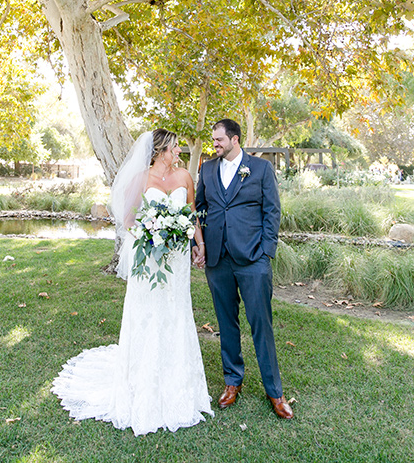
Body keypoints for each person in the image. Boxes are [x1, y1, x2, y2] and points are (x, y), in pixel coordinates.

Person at [52, 129, 213, 436]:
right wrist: (151, 235)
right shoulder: (140, 179)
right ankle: (143, 382)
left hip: (176, 261)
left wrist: (198, 245)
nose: (179, 151)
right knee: (147, 314)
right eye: (175, 146)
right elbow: (127, 220)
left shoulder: (184, 178)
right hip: (149, 259)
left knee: (176, 312)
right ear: (161, 150)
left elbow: (191, 214)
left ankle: (178, 382)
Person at [194, 119, 293, 419]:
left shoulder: (261, 169)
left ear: (235, 140)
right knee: (226, 324)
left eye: (219, 140)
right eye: (214, 140)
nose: (215, 145)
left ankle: (274, 391)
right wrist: (199, 245)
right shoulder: (207, 170)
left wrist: (266, 252)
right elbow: (200, 209)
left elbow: (272, 211)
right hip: (218, 261)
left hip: (253, 260)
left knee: (261, 324)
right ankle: (232, 381)